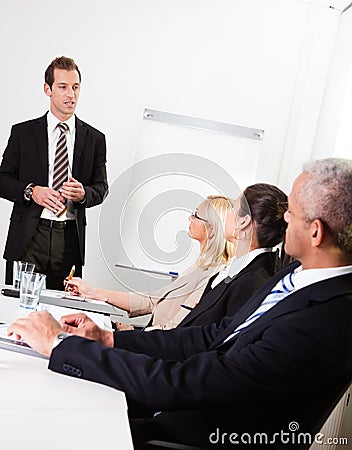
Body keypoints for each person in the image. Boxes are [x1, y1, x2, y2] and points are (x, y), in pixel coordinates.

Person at [8, 158, 352, 450]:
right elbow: (209, 337)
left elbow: (196, 381)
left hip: (186, 436)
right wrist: (109, 339)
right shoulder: (292, 277)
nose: (284, 220)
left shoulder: (326, 321)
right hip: (175, 412)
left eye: (291, 212)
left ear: (316, 233)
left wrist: (60, 345)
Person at [0, 56, 108, 290]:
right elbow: (2, 180)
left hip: (69, 238)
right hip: (29, 235)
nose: (71, 94)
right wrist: (32, 191)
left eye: (75, 87)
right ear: (47, 89)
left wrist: (84, 194)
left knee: (61, 315)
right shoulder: (23, 133)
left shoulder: (95, 139)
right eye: (63, 87)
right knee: (20, 312)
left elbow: (101, 188)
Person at [67, 195, 235, 330]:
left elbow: (176, 329)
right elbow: (152, 300)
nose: (190, 218)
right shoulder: (200, 267)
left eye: (196, 215)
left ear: (211, 229)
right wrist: (93, 292)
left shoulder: (213, 276)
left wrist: (133, 336)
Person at [177, 183, 287, 327]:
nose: (228, 213)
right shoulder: (237, 270)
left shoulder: (251, 282)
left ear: (244, 221)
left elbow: (215, 340)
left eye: (233, 207)